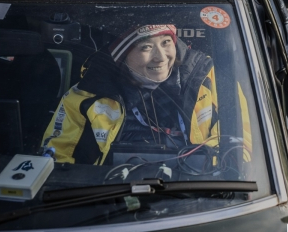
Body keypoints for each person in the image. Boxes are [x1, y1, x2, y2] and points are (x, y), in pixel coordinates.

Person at [41, 25, 226, 165]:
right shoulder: (87, 93)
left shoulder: (206, 78)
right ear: (122, 56)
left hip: (199, 189)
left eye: (166, 43)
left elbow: (242, 143)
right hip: (112, 195)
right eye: (146, 47)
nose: (161, 57)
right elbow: (55, 156)